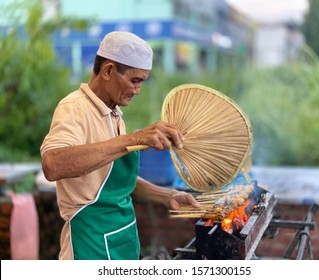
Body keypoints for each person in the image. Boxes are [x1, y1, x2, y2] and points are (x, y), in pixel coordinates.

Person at [40, 31, 201, 260]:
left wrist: (167, 196)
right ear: (108, 71)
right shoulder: (74, 108)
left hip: (122, 239)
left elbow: (114, 181)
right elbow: (53, 164)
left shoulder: (114, 113)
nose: (137, 90)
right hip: (89, 244)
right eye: (134, 80)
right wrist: (133, 139)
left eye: (142, 82)